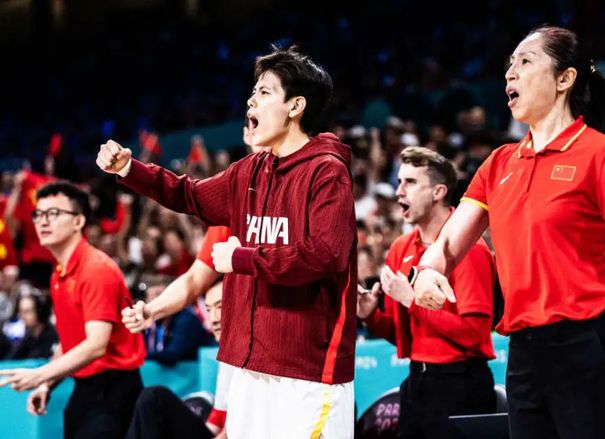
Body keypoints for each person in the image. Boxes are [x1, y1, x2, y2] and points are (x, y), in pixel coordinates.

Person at [413, 26, 605, 439]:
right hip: (525, 355)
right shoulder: (499, 163)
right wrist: (427, 270)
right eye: (509, 65)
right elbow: (447, 245)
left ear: (565, 79)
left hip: (592, 345)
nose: (510, 73)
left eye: (525, 61)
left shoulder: (603, 154)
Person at [99, 45, 357, 438]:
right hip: (249, 369)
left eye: (264, 92)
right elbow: (189, 195)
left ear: (296, 106)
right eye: (253, 92)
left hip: (308, 373)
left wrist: (242, 258)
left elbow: (325, 255)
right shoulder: (249, 171)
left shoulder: (327, 171)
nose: (251, 100)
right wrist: (130, 170)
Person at [357, 146, 496, 438]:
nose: (399, 191)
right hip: (417, 382)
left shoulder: (470, 249)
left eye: (410, 182)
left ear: (438, 192)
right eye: (399, 181)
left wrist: (411, 300)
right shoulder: (400, 248)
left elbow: (474, 335)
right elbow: (405, 335)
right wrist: (371, 317)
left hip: (461, 383)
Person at [0, 181, 146, 438]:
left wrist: (40, 374)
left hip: (114, 392)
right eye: (38, 214)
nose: (43, 222)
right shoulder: (59, 275)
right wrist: (47, 384)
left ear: (78, 221)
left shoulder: (95, 269)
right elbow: (71, 342)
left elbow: (96, 345)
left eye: (54, 213)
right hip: (86, 390)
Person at [126, 280, 231, 439]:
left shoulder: (187, 320)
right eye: (209, 309)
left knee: (154, 396)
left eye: (221, 307)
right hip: (215, 431)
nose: (213, 319)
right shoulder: (227, 356)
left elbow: (173, 355)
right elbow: (219, 416)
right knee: (149, 401)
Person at [5, 291, 58, 360]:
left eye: (27, 312)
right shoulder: (27, 337)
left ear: (39, 312)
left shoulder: (53, 336)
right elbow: (10, 359)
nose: (22, 316)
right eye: (20, 311)